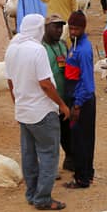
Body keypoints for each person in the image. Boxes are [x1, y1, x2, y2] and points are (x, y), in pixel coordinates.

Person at [5, 13, 69, 211]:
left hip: (24, 111)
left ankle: (31, 193)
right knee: (49, 154)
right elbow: (46, 84)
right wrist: (61, 105)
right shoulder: (37, 50)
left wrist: (18, 104)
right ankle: (42, 198)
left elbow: (10, 82)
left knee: (29, 155)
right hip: (42, 111)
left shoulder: (12, 48)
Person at [62, 11, 95, 189]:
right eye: (71, 28)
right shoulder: (73, 45)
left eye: (76, 29)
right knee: (83, 139)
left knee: (81, 141)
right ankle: (87, 174)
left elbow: (88, 83)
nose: (73, 31)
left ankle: (82, 178)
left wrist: (77, 104)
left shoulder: (83, 50)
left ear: (83, 28)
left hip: (82, 101)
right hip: (76, 98)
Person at [42, 16, 71, 171]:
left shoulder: (63, 45)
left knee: (67, 132)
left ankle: (69, 159)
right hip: (49, 100)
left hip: (64, 97)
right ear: (45, 28)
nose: (59, 30)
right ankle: (50, 169)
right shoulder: (41, 48)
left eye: (61, 27)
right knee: (50, 137)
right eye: (55, 27)